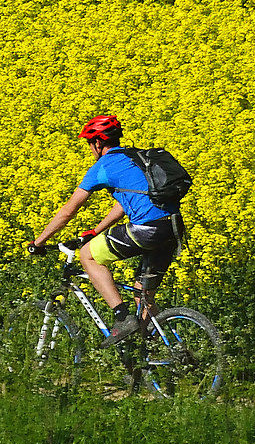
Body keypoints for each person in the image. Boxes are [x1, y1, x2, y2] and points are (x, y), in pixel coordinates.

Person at [23, 113, 187, 344]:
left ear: (97, 143)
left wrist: (38, 242)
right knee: (143, 294)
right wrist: (97, 230)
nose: (90, 149)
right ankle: (154, 354)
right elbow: (126, 202)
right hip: (172, 228)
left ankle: (121, 317)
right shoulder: (135, 159)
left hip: (147, 228)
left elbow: (69, 210)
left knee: (87, 255)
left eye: (90, 144)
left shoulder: (103, 167)